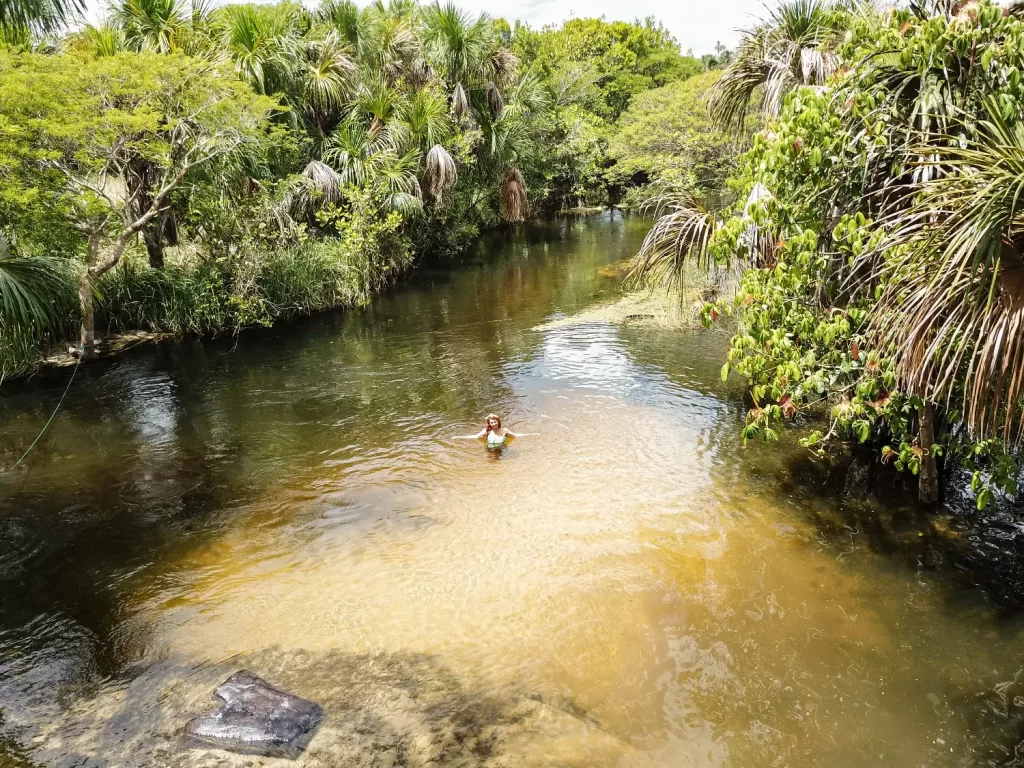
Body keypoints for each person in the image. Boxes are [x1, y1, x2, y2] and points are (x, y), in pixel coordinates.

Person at [453, 414, 534, 448]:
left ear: (498, 421)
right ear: (489, 424)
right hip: (489, 450)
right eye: (492, 422)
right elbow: (475, 436)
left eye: (495, 421)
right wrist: (458, 437)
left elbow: (515, 435)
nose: (494, 423)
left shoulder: (504, 430)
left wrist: (531, 434)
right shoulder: (486, 431)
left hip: (501, 449)